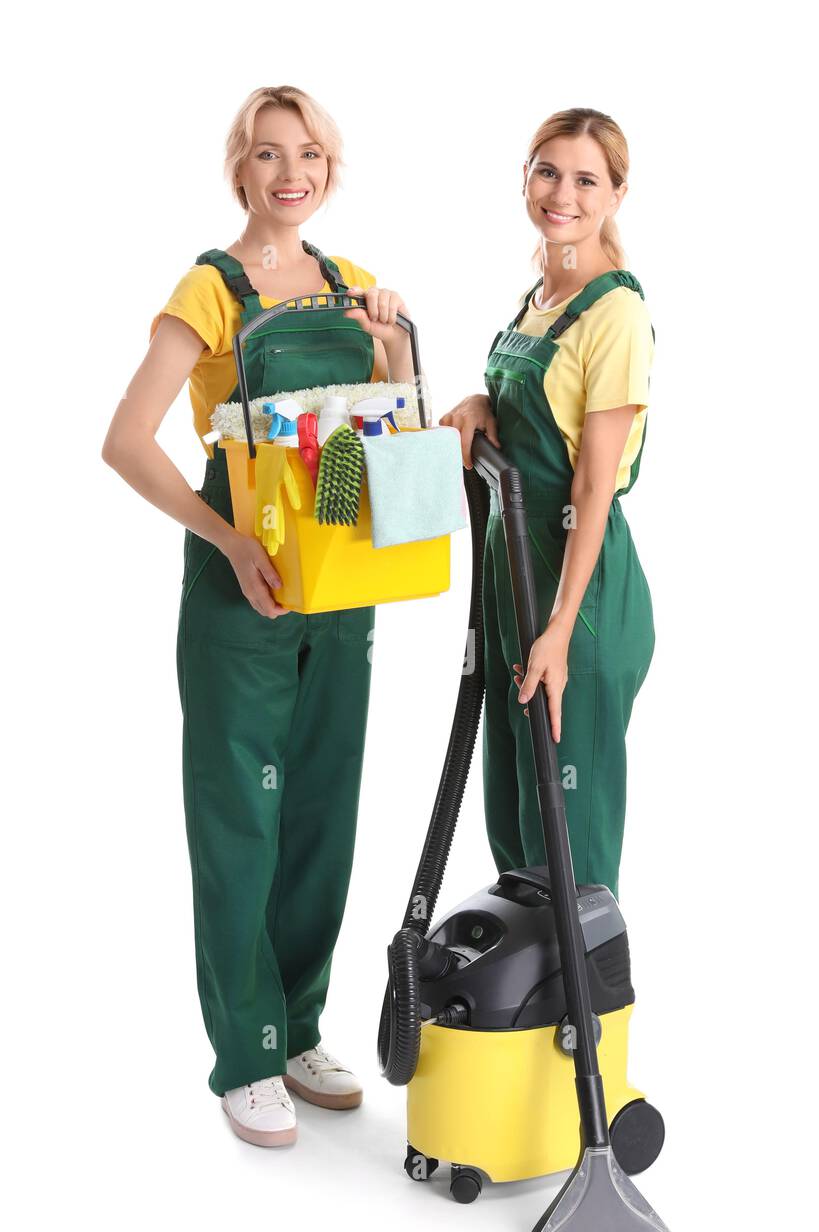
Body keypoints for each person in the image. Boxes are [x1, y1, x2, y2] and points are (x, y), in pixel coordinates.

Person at [102, 85, 414, 1147]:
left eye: (311, 153)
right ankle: (243, 1054)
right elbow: (129, 438)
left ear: (331, 167)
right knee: (242, 822)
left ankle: (297, 1028)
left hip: (343, 580)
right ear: (240, 169)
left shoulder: (358, 287)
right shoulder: (211, 289)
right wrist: (227, 540)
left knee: (323, 814)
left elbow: (396, 437)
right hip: (244, 586)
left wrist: (401, 346)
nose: (293, 171)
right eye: (270, 153)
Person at [442, 107, 655, 901]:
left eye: (585, 179)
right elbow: (533, 423)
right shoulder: (539, 296)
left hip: (580, 599)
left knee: (569, 840)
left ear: (616, 195)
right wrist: (476, 405)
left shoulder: (615, 314)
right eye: (546, 171)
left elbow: (592, 485)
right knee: (518, 827)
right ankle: (527, 1019)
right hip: (513, 585)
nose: (561, 192)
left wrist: (559, 634)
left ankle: (586, 1017)